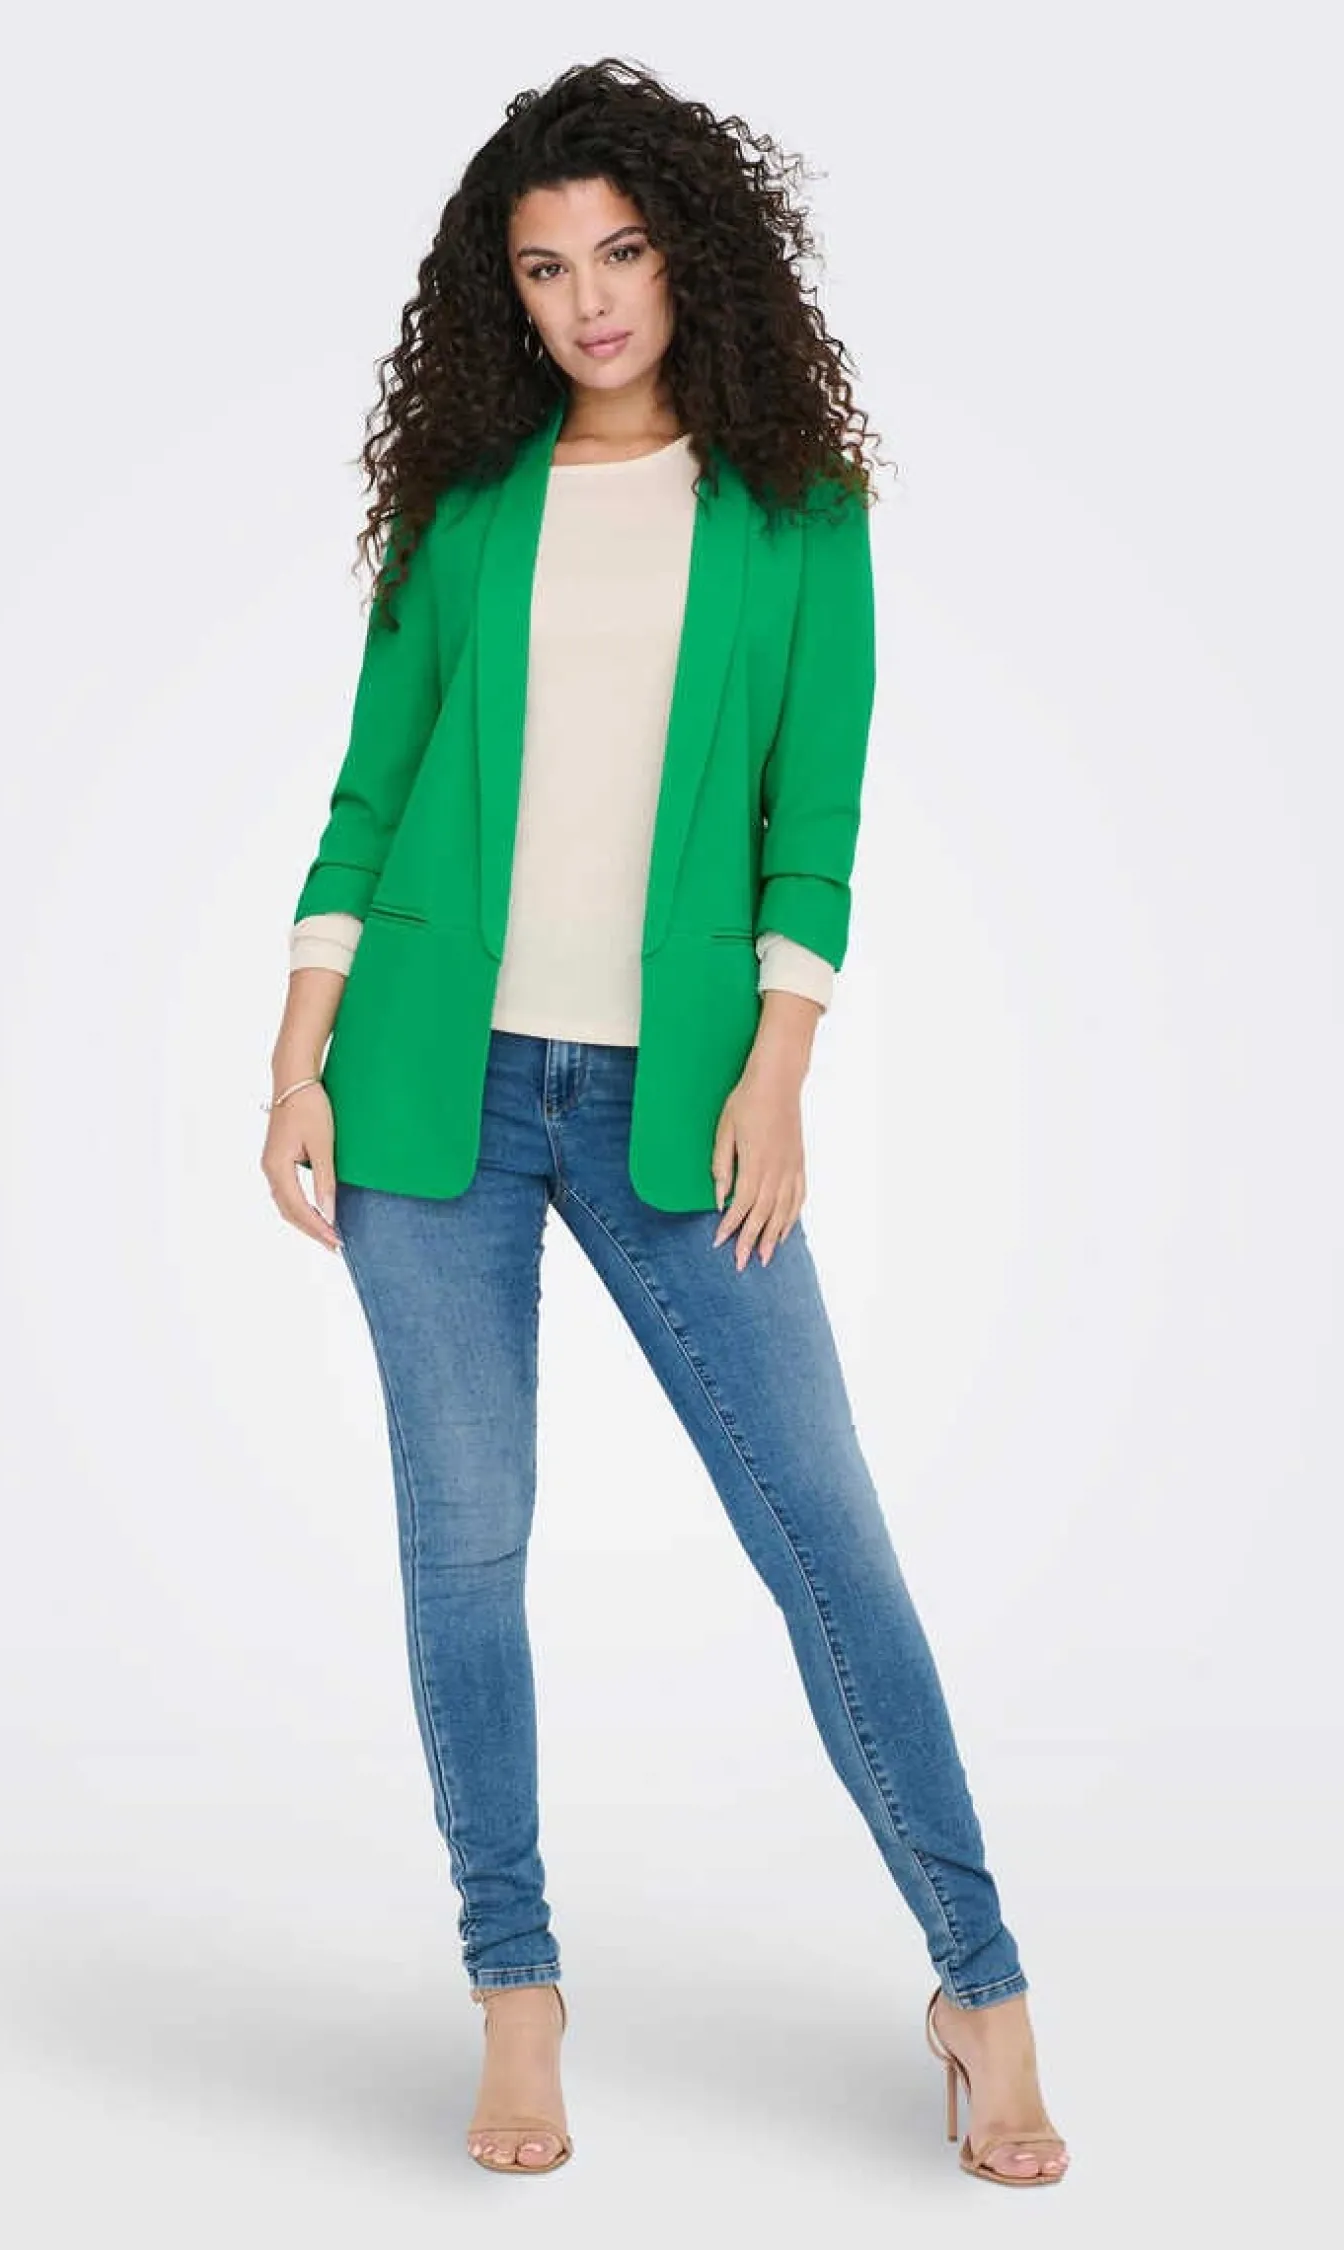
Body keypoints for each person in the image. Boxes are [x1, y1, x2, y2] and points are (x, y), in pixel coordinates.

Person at [260, 58, 1069, 2188]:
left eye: (618, 252)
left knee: (826, 1539)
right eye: (544, 271)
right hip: (429, 1086)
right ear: (503, 298)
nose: (589, 300)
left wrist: (779, 1069)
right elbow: (370, 784)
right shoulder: (464, 506)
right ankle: (515, 1992)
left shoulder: (800, 510)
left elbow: (817, 820)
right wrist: (295, 1053)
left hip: (676, 1099)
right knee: (466, 1549)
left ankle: (980, 1987)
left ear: (690, 257)